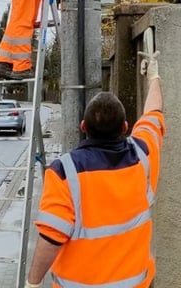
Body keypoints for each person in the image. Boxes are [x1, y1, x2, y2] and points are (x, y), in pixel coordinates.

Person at [24, 49, 165, 288]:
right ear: (125, 127)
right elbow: (153, 112)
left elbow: (51, 237)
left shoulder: (64, 173)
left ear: (82, 126)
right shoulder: (144, 153)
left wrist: (33, 283)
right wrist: (154, 77)